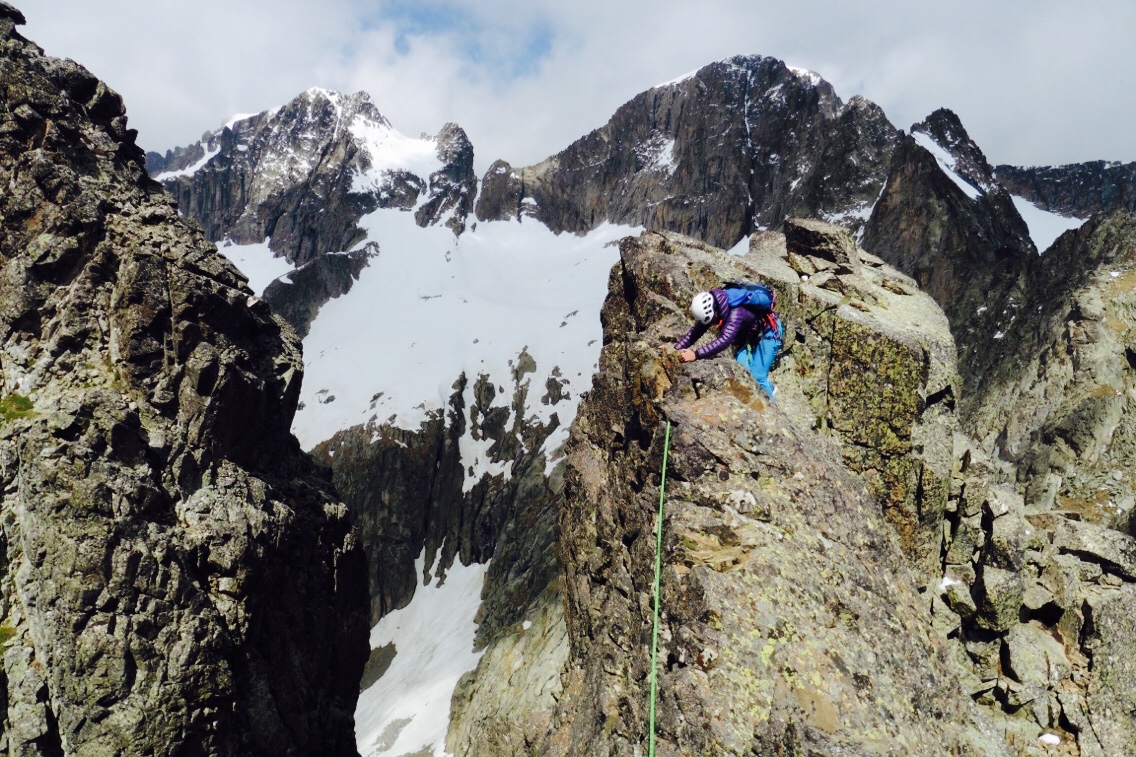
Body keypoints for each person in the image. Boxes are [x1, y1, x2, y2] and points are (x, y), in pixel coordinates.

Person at [674, 287, 782, 400]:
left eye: (711, 321)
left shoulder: (735, 313)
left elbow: (724, 340)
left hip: (769, 332)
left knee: (758, 376)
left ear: (714, 314)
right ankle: (761, 394)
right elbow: (697, 330)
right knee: (742, 370)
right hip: (750, 334)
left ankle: (772, 406)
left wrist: (696, 354)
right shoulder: (716, 306)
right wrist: (677, 347)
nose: (711, 324)